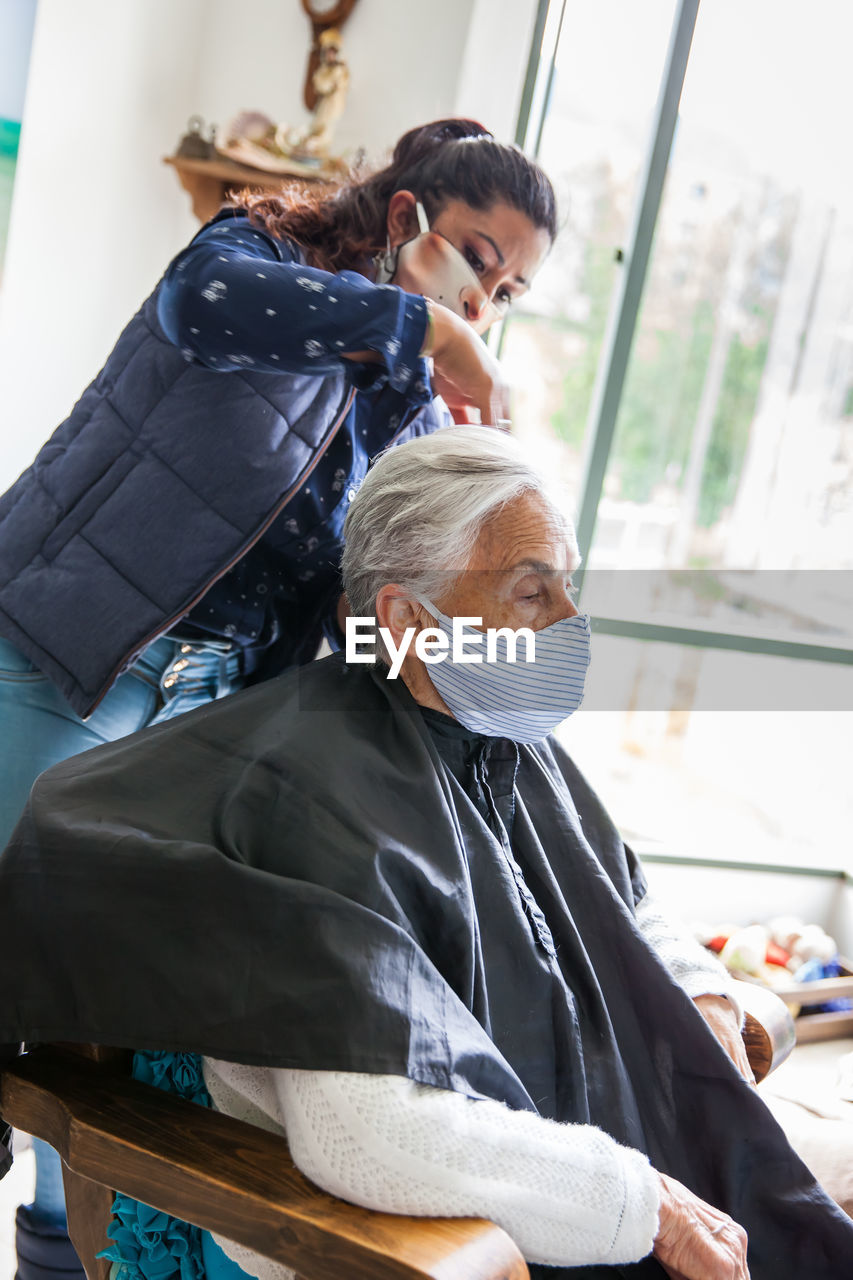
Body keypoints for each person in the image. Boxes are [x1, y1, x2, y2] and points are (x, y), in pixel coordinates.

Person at [2, 427, 851, 1280]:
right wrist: (650, 1207)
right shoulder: (314, 790)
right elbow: (368, 1139)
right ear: (407, 618)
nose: (571, 624)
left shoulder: (505, 739)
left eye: (569, 586)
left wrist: (693, 988)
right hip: (386, 1239)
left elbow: (620, 900)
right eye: (531, 591)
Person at [0, 118, 555, 1277]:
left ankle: (57, 1248)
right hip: (74, 651)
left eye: (508, 289)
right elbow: (206, 315)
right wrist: (430, 325)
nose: (486, 297)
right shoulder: (248, 259)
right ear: (406, 216)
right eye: (475, 256)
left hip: (204, 714)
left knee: (98, 999)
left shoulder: (405, 415)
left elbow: (346, 597)